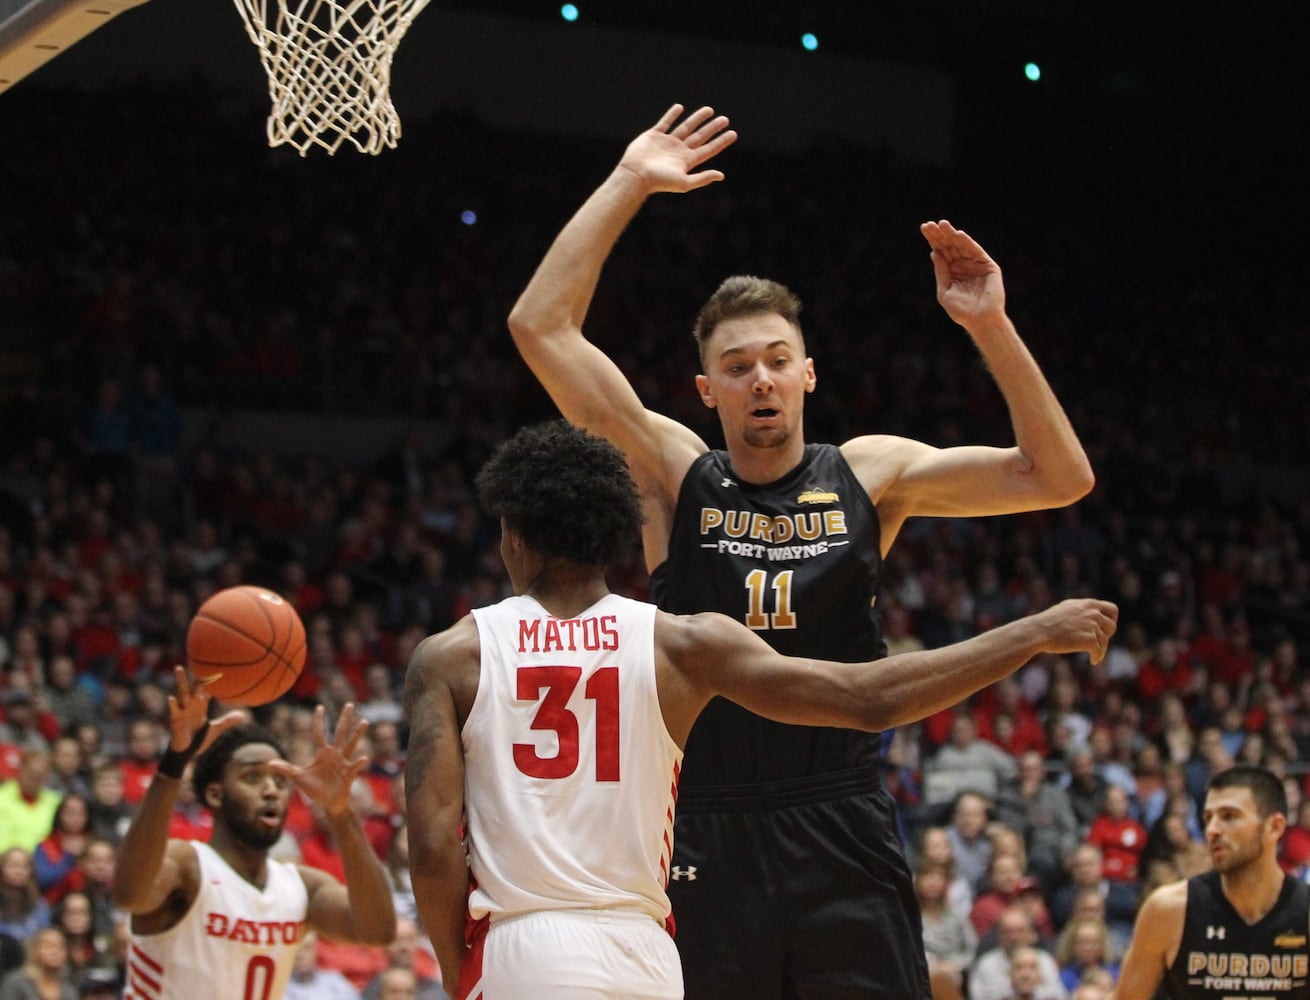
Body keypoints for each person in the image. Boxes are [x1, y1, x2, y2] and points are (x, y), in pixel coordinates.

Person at [505, 103, 1095, 997]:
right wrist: (629, 180)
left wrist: (989, 326)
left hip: (841, 815)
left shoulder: (871, 473)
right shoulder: (674, 475)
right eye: (738, 367)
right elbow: (540, 327)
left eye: (778, 359)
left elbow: (1058, 476)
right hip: (704, 818)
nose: (762, 379)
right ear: (708, 391)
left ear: (808, 373)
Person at [403, 422, 1115, 998]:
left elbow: (435, 846)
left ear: (513, 539)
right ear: (616, 536)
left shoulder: (453, 655)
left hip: (525, 946)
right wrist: (1034, 633)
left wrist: (450, 962)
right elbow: (871, 700)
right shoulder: (682, 644)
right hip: (644, 954)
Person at [111, 667, 396, 1000]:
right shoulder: (189, 866)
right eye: (252, 778)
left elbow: (378, 931)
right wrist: (174, 763)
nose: (271, 791)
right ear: (215, 795)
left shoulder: (300, 887)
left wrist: (341, 813)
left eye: (279, 781)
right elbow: (130, 894)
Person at [1107, 765, 1310, 1000]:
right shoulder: (1170, 909)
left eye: (1229, 817)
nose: (1212, 830)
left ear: (1274, 827)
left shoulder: (1304, 910)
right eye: (1208, 818)